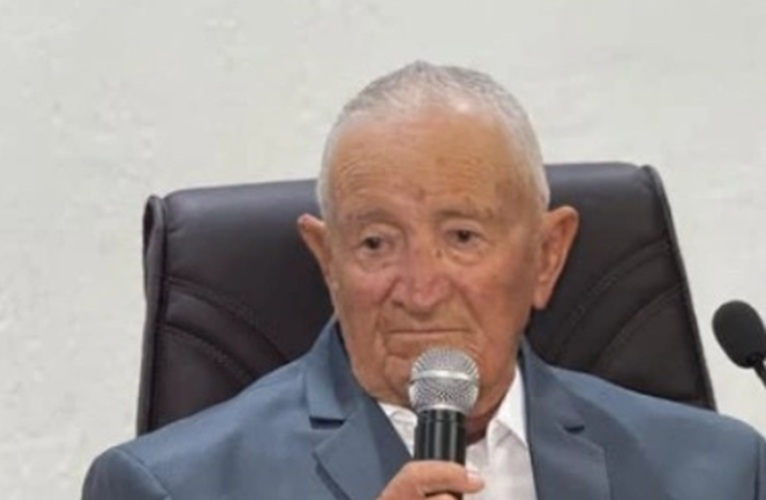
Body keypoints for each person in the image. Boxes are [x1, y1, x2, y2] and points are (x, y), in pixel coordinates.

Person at [83, 62, 765, 499]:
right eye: (376, 243)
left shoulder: (720, 474)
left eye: (462, 237)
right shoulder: (170, 488)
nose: (420, 290)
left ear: (546, 256)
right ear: (328, 262)